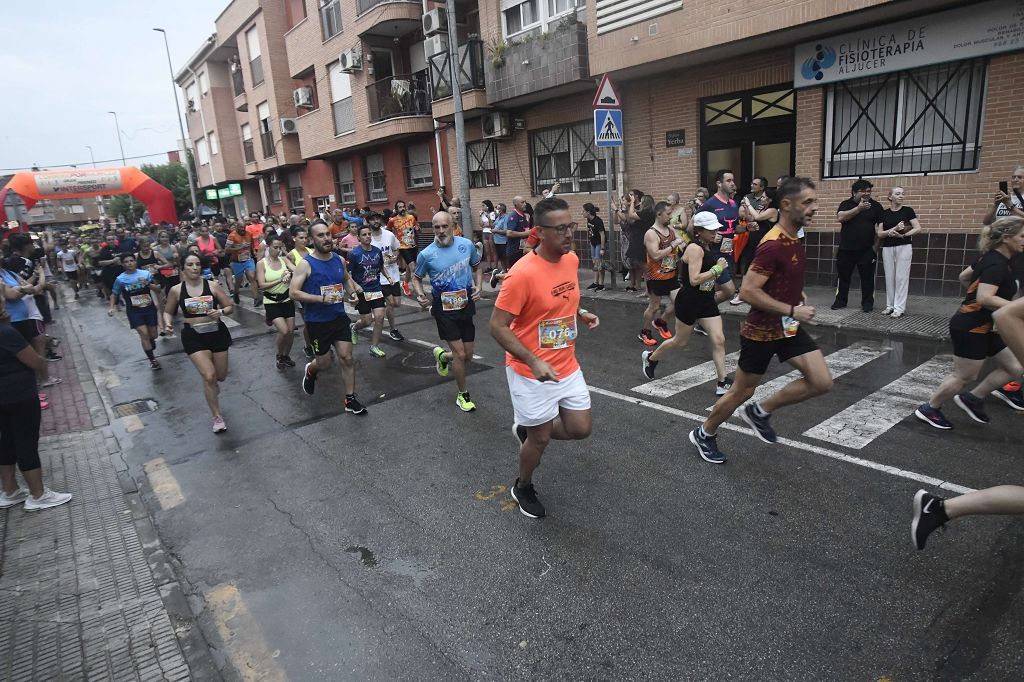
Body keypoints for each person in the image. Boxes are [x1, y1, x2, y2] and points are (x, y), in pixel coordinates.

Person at [690, 177, 832, 464]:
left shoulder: (794, 237)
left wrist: (795, 294)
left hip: (786, 327)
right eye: (807, 202)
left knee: (821, 381)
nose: (814, 208)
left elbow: (779, 280)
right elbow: (749, 291)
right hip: (762, 331)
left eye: (814, 201)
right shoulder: (773, 245)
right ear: (786, 205)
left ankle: (760, 411)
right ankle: (704, 432)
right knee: (742, 390)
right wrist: (792, 310)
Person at [490, 197, 600, 518]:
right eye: (561, 228)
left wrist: (579, 312)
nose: (569, 234)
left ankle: (528, 429)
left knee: (581, 428)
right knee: (539, 441)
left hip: (566, 365)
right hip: (530, 371)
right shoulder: (521, 274)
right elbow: (497, 326)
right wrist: (533, 360)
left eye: (572, 226)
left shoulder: (571, 261)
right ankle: (522, 484)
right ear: (540, 231)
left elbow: (559, 299)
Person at [914, 217, 1024, 428]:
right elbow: (984, 297)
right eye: (1021, 236)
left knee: (1014, 367)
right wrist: (1008, 309)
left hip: (985, 326)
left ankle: (973, 399)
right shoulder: (996, 264)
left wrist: (975, 301)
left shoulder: (993, 258)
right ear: (1007, 238)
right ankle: (930, 408)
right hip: (970, 326)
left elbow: (964, 276)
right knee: (965, 375)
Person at [0, 284, 73, 511]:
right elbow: (35, 361)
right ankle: (38, 495)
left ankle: (9, 491)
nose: (4, 305)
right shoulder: (6, 333)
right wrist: (42, 352)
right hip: (18, 394)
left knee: (7, 442)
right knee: (26, 443)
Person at [643, 212, 731, 395]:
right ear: (699, 231)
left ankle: (722, 381)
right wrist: (717, 269)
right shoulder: (694, 249)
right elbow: (694, 279)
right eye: (712, 230)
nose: (716, 233)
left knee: (719, 340)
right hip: (689, 301)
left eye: (716, 229)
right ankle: (651, 358)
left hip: (706, 300)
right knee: (680, 342)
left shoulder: (709, 245)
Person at [289, 223, 367, 415]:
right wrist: (320, 299)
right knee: (324, 363)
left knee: (347, 358)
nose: (326, 239)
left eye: (328, 235)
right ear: (312, 239)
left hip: (338, 317)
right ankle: (311, 370)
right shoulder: (306, 264)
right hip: (317, 321)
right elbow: (293, 292)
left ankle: (350, 399)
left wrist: (352, 293)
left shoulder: (339, 260)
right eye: (321, 235)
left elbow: (346, 278)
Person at [413, 211, 483, 412]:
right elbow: (416, 278)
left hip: (465, 304)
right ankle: (463, 395)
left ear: (453, 225)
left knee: (468, 355)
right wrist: (419, 294)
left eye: (445, 226)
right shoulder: (426, 254)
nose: (441, 231)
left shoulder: (466, 245)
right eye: (437, 227)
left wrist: (478, 287)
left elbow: (477, 267)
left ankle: (443, 357)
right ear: (433, 228)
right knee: (460, 354)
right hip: (443, 309)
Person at [163, 255, 235, 433]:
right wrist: (168, 324)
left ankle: (213, 386)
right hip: (193, 335)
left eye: (197, 264)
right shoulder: (176, 290)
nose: (194, 268)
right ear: (183, 268)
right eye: (190, 265)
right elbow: (168, 311)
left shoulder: (212, 285)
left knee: (220, 376)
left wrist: (220, 311)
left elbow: (229, 307)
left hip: (217, 333)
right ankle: (217, 417)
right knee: (208, 376)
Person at [833, 179, 883, 312]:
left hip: (867, 250)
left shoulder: (876, 206)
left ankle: (867, 303)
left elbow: (880, 229)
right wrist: (859, 209)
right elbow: (841, 217)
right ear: (854, 192)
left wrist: (875, 248)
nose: (867, 194)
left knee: (867, 279)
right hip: (846, 249)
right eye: (863, 191)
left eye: (869, 191)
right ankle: (840, 301)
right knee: (843, 277)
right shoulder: (846, 204)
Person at [639, 201, 684, 346]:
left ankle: (660, 322)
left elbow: (682, 242)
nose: (671, 216)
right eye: (668, 214)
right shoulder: (651, 233)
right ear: (659, 214)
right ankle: (644, 332)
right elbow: (656, 255)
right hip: (655, 277)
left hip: (671, 274)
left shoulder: (670, 228)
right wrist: (673, 245)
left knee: (680, 302)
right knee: (654, 307)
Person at [109, 254, 163, 370]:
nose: (129, 263)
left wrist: (148, 283)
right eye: (126, 261)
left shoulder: (146, 274)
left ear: (135, 262)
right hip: (134, 311)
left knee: (153, 334)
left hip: (149, 309)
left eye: (131, 261)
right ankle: (152, 360)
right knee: (143, 334)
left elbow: (158, 289)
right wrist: (111, 307)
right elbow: (114, 294)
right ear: (123, 264)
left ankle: (151, 341)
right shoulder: (120, 279)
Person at [348, 225, 395, 358]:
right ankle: (355, 327)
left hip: (376, 289)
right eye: (364, 234)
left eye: (369, 234)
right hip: (362, 291)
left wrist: (388, 277)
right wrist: (355, 288)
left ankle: (374, 347)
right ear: (358, 238)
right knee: (367, 321)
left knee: (380, 318)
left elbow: (381, 267)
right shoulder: (354, 254)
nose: (368, 236)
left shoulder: (376, 251)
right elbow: (348, 275)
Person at [877, 187, 923, 318]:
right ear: (890, 197)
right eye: (897, 194)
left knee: (901, 278)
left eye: (903, 194)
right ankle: (890, 306)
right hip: (887, 247)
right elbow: (880, 234)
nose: (901, 196)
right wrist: (892, 230)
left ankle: (899, 308)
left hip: (904, 246)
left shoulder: (908, 211)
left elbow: (918, 228)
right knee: (889, 277)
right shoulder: (883, 213)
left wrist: (903, 235)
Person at [698, 170, 740, 304]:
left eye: (733, 180)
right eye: (728, 181)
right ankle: (702, 310)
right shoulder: (710, 203)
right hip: (714, 253)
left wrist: (747, 228)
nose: (733, 184)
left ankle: (705, 319)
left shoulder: (733, 204)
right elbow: (694, 226)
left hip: (728, 252)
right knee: (729, 290)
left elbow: (735, 228)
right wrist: (710, 238)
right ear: (719, 183)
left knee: (711, 290)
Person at [255, 234, 296, 369]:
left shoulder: (284, 260)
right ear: (268, 247)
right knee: (284, 331)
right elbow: (261, 285)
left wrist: (292, 273)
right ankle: (279, 354)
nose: (278, 250)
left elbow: (297, 271)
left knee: (290, 332)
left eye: (280, 247)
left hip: (287, 299)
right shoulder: (262, 264)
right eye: (275, 247)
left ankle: (286, 356)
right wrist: (280, 280)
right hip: (271, 301)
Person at [734, 177, 771, 305]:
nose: (751, 185)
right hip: (750, 234)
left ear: (762, 187)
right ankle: (744, 291)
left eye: (755, 184)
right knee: (747, 259)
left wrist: (749, 208)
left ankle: (761, 290)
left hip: (764, 235)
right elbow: (742, 214)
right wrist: (750, 212)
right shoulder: (747, 196)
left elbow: (759, 216)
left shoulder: (766, 199)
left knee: (763, 263)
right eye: (752, 183)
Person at [368, 212, 405, 342]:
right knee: (390, 303)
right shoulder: (368, 238)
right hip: (378, 277)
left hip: (393, 274)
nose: (376, 221)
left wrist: (395, 256)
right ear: (368, 222)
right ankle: (393, 329)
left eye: (377, 218)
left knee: (396, 303)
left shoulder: (389, 235)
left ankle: (379, 307)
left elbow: (396, 248)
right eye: (372, 219)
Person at [618, 190, 651, 293]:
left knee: (643, 265)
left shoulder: (646, 212)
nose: (640, 203)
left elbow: (631, 217)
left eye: (642, 201)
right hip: (636, 238)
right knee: (636, 263)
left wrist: (631, 203)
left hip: (641, 239)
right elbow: (618, 220)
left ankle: (646, 288)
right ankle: (646, 289)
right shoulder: (642, 211)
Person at [387, 200, 418, 296]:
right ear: (396, 209)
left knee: (410, 267)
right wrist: (393, 241)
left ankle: (405, 283)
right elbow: (388, 231)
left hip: (413, 245)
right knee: (413, 268)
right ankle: (419, 293)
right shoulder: (392, 220)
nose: (402, 208)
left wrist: (417, 228)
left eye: (403, 206)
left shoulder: (411, 217)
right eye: (400, 207)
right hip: (402, 246)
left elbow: (415, 227)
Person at [226, 221, 260, 307]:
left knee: (252, 277)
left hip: (248, 259)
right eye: (240, 227)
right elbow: (227, 249)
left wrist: (253, 252)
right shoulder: (232, 236)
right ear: (236, 227)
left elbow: (251, 244)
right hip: (237, 261)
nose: (242, 229)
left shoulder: (249, 234)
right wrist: (240, 248)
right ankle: (236, 293)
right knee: (238, 280)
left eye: (243, 227)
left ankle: (256, 299)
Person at [583, 203, 607, 291]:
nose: (582, 213)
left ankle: (601, 284)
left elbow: (602, 235)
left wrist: (602, 248)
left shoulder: (598, 221)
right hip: (593, 243)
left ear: (588, 212)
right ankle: (595, 282)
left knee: (599, 263)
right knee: (595, 263)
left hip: (599, 244)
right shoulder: (589, 220)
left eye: (583, 211)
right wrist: (590, 242)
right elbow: (590, 231)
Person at [490, 203, 510, 284]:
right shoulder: (498, 218)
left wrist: (495, 231)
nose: (496, 210)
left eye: (497, 208)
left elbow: (506, 231)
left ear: (501, 209)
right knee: (501, 257)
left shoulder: (506, 217)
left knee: (505, 257)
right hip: (497, 241)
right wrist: (489, 218)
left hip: (503, 241)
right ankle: (504, 270)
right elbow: (492, 225)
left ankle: (508, 270)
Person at [480, 200, 498, 273]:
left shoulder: (492, 213)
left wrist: (488, 217)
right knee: (487, 251)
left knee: (493, 250)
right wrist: (480, 216)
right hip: (484, 233)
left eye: (483, 205)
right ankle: (489, 266)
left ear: (487, 206)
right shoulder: (483, 214)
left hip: (491, 233)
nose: (482, 207)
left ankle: (495, 266)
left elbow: (492, 224)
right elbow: (481, 225)